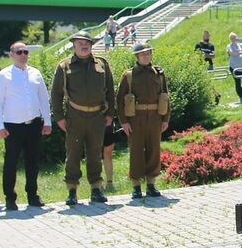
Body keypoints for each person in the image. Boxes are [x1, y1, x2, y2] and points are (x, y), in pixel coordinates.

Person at [51, 31, 113, 205]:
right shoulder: (65, 66)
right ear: (74, 45)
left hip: (97, 116)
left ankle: (95, 189)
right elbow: (56, 94)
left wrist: (110, 114)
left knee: (95, 153)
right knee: (73, 153)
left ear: (91, 45)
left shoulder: (102, 64)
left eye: (87, 43)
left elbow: (110, 91)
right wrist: (59, 118)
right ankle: (72, 190)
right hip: (74, 116)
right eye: (80, 43)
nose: (84, 46)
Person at [0, 41, 52, 210]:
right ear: (11, 54)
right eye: (19, 52)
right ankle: (10, 198)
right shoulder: (3, 76)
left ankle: (33, 195)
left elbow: (43, 99)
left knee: (32, 162)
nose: (23, 55)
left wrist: (47, 122)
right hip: (12, 126)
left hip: (33, 124)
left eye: (25, 52)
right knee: (11, 162)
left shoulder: (36, 73)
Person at [116, 42, 170, 200]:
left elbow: (166, 96)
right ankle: (136, 186)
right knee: (136, 151)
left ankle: (151, 184)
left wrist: (165, 118)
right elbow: (120, 100)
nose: (146, 56)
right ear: (137, 56)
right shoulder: (129, 75)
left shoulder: (158, 74)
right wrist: (124, 122)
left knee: (154, 151)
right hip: (135, 119)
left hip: (154, 118)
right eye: (143, 54)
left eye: (148, 53)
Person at [227, 33, 242, 103]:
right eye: (231, 38)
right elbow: (232, 53)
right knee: (238, 82)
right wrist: (240, 52)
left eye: (234, 37)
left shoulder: (241, 45)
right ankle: (241, 97)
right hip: (234, 67)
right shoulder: (229, 46)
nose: (233, 39)